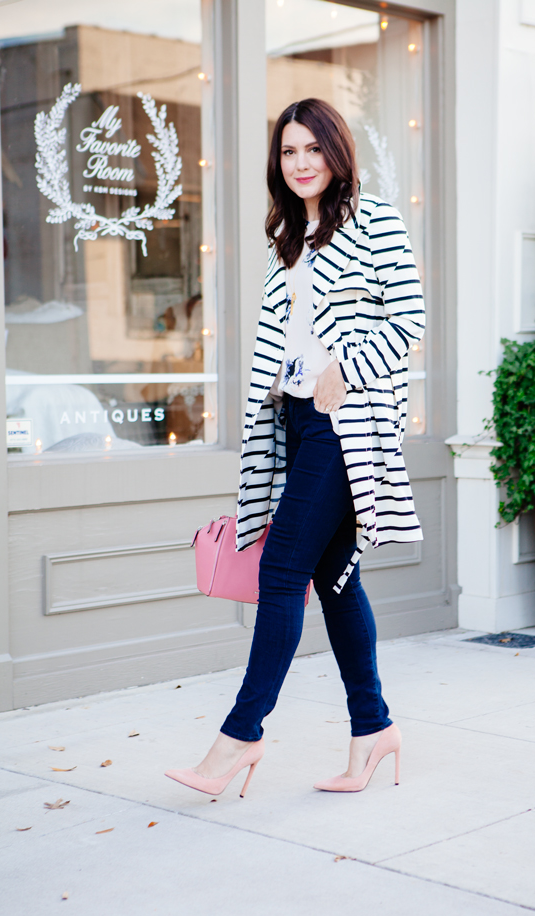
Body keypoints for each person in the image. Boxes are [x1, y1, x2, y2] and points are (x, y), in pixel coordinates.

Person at [166, 98, 425, 798]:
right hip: (300, 420)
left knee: (283, 570)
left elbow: (410, 317)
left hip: (350, 421)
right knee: (338, 577)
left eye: (313, 147)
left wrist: (349, 368)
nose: (302, 161)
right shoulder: (288, 234)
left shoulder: (376, 221)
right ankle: (373, 729)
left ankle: (239, 738)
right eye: (289, 151)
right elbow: (287, 343)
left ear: (336, 151)